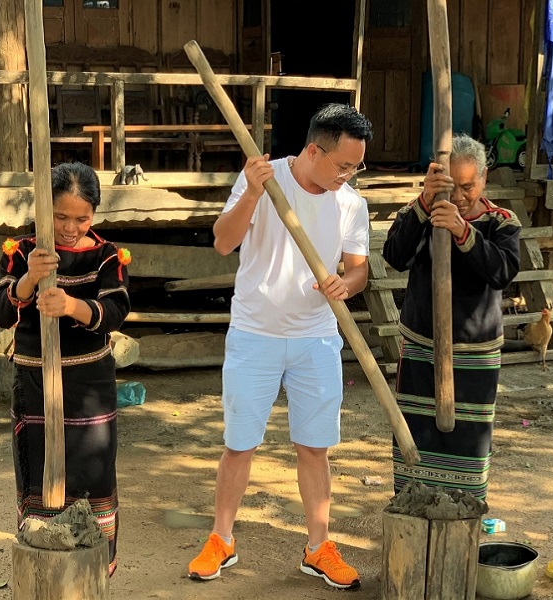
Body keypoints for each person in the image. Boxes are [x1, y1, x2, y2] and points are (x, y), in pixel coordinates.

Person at [187, 103, 373, 591]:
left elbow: (359, 267)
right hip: (256, 334)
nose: (349, 175)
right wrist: (250, 192)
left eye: (357, 166)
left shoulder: (351, 202)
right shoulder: (265, 180)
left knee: (315, 447)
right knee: (239, 444)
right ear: (314, 150)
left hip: (316, 338)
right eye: (344, 165)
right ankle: (221, 539)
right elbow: (223, 243)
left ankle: (318, 547)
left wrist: (346, 286)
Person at [0, 161, 131, 574]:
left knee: (91, 475)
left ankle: (91, 572)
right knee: (40, 483)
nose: (71, 227)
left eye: (82, 218)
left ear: (95, 214)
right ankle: (44, 570)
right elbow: (0, 310)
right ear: (43, 211)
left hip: (89, 387)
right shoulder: (20, 253)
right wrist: (30, 279)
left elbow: (115, 310)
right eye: (61, 216)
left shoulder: (106, 257)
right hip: (34, 383)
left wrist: (70, 306)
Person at [382, 134, 521, 501]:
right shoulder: (423, 212)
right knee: (417, 438)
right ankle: (414, 508)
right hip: (423, 347)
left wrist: (463, 231)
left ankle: (464, 514)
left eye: (468, 186)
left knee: (469, 445)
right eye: (451, 186)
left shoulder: (500, 222)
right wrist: (425, 201)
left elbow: (503, 271)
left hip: (475, 352)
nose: (459, 196)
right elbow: (394, 255)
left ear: (484, 179)